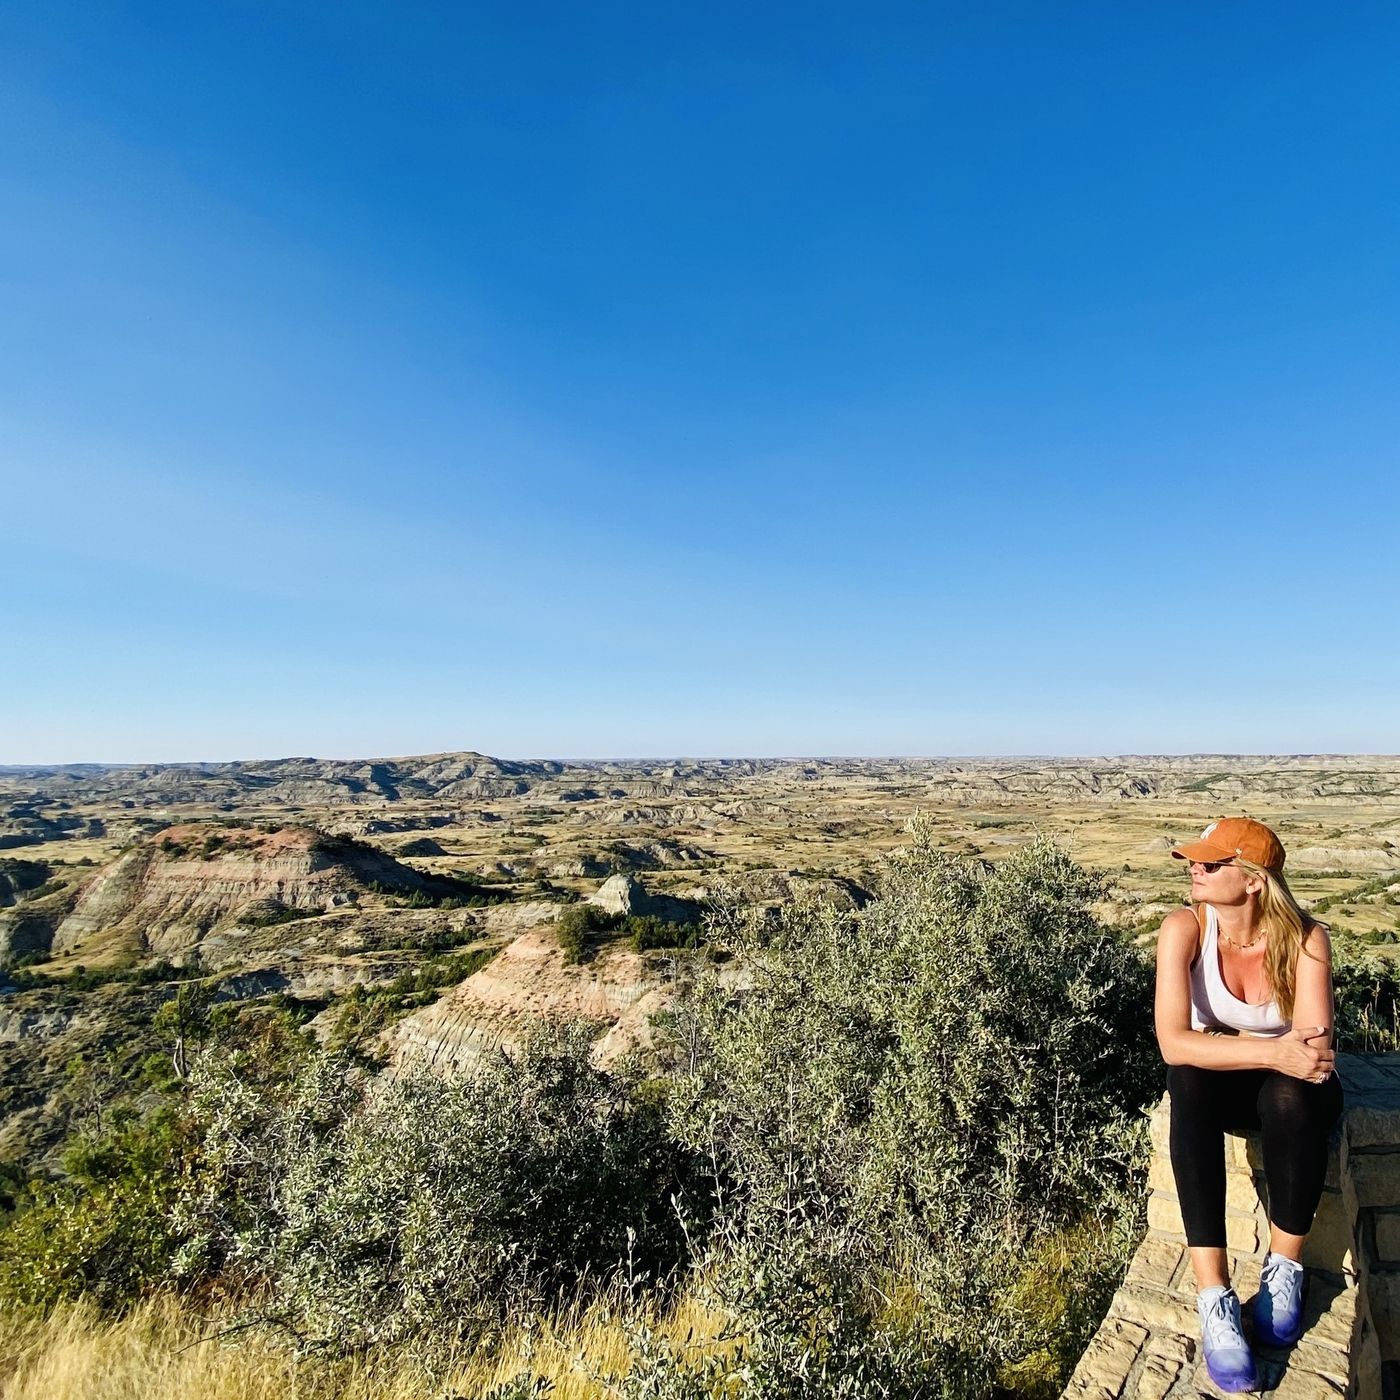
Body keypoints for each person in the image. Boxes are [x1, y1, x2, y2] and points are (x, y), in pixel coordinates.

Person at [1154, 817, 1343, 1393]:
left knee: (1292, 1090)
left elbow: (1311, 1054)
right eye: (1194, 860)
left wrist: (1237, 1048)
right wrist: (1266, 1050)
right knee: (1186, 1077)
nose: (1196, 868)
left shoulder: (1308, 939)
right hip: (1231, 1082)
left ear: (1255, 880)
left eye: (1212, 863)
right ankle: (1214, 1294)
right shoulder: (1182, 929)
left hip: (1294, 1092)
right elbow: (1172, 1042)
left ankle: (1284, 1269)